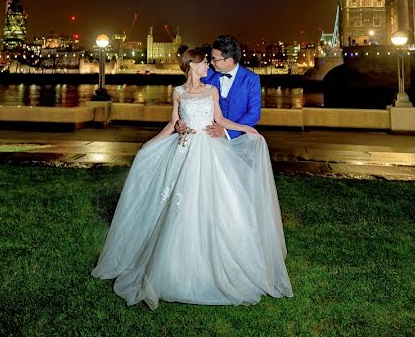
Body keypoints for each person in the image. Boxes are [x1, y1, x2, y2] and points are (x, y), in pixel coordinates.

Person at [91, 47, 292, 309]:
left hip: (209, 150)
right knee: (181, 205)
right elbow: (173, 123)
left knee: (221, 202)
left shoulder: (211, 91)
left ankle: (225, 260)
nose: (208, 65)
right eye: (204, 62)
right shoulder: (178, 92)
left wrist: (245, 128)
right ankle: (176, 266)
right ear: (191, 66)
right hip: (185, 150)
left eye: (209, 61)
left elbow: (220, 119)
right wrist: (150, 143)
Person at [176, 35, 261, 140]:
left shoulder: (251, 79)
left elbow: (254, 114)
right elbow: (187, 101)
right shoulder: (206, 74)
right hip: (207, 138)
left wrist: (226, 132)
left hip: (239, 140)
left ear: (229, 60)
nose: (211, 62)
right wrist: (179, 124)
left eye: (215, 59)